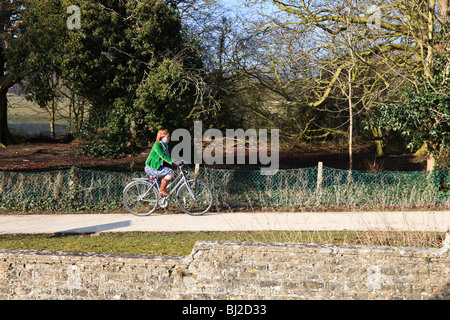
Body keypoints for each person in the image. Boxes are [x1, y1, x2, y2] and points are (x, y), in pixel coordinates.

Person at [145, 129, 181, 196]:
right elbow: (162, 156)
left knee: (166, 184)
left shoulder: (166, 145)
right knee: (170, 172)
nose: (169, 138)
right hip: (152, 167)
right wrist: (174, 161)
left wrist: (181, 159)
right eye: (167, 137)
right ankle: (162, 190)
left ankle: (163, 203)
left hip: (159, 167)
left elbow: (173, 152)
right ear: (161, 137)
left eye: (169, 136)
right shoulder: (157, 145)